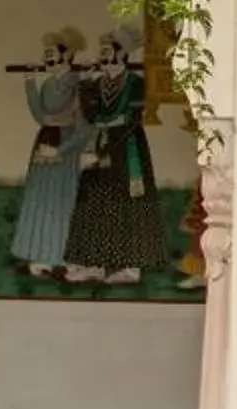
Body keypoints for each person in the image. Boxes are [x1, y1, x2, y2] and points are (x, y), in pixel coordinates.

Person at [65, 31, 171, 284]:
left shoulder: (135, 82)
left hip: (127, 146)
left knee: (129, 204)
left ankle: (130, 267)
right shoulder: (98, 83)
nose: (102, 56)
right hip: (101, 143)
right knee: (94, 202)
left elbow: (131, 118)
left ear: (121, 53)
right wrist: (87, 85)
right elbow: (91, 115)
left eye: (107, 51)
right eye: (101, 52)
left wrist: (106, 127)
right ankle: (95, 263)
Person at [11, 29, 93, 281]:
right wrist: (29, 82)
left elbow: (85, 124)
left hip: (65, 144)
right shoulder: (49, 83)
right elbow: (41, 116)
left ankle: (62, 258)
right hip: (45, 141)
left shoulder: (76, 84)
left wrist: (63, 148)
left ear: (66, 54)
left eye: (51, 53)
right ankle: (39, 257)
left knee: (61, 202)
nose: (46, 58)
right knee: (39, 199)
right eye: (45, 54)